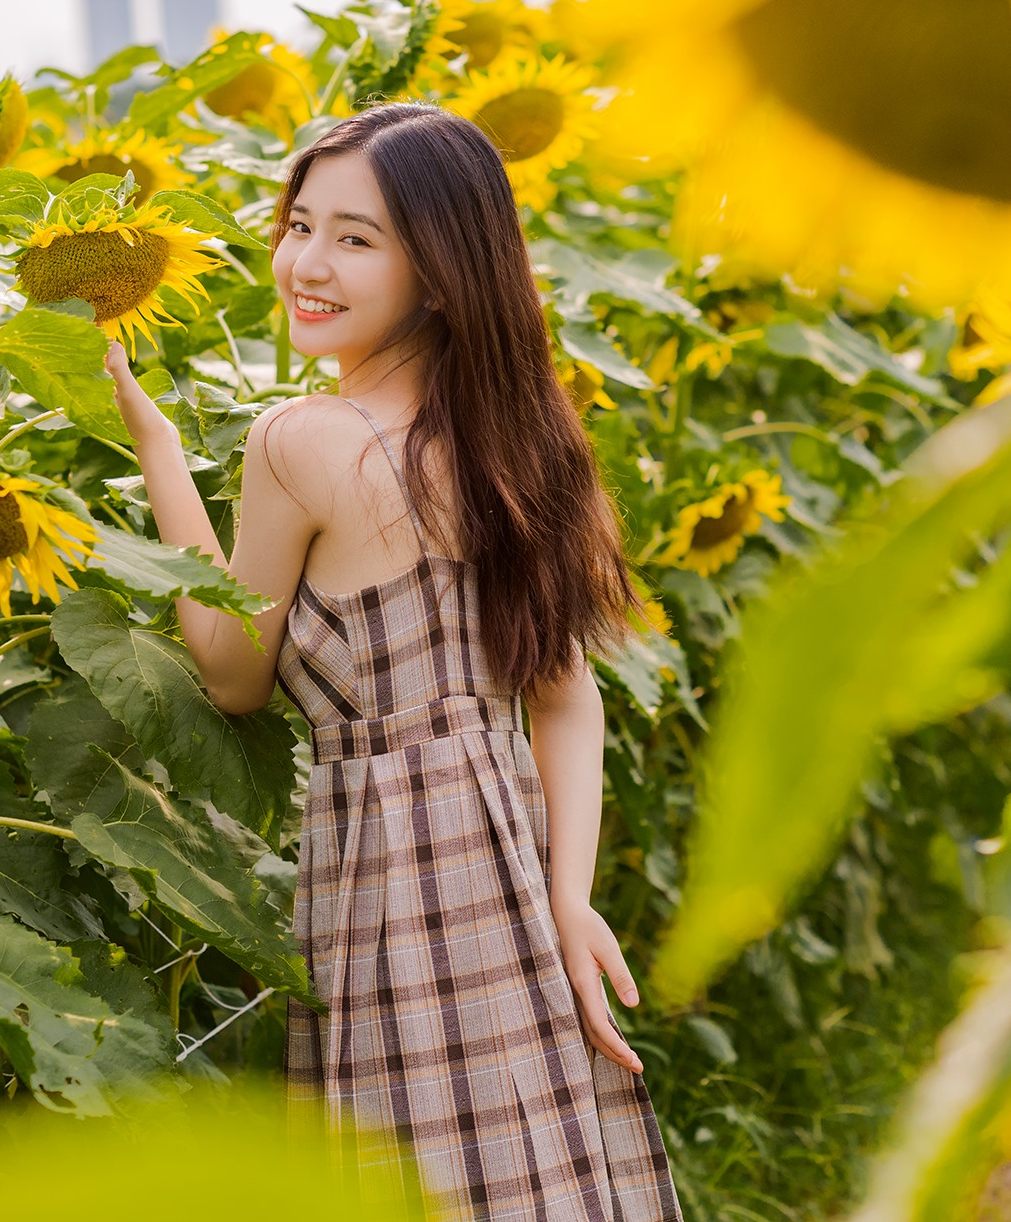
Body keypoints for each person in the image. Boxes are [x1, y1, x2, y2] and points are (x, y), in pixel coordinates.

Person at [105, 102, 685, 1221]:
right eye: (299, 223)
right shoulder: (520, 439)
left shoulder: (301, 438)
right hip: (509, 868)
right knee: (530, 1170)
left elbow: (230, 672)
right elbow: (564, 697)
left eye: (355, 238)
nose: (306, 264)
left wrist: (159, 455)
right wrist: (567, 894)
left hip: (388, 878)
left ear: (437, 270)